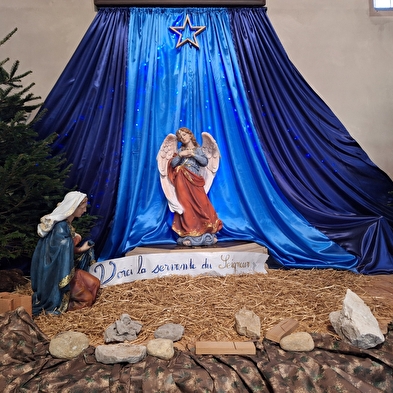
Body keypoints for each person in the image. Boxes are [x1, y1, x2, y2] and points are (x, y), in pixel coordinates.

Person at [31, 191, 100, 316]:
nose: (84, 210)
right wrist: (74, 239)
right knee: (87, 299)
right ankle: (63, 306)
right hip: (58, 273)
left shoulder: (66, 225)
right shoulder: (60, 227)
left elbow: (64, 249)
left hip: (68, 268)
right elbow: (60, 249)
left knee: (95, 283)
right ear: (73, 207)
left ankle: (73, 300)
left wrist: (81, 249)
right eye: (82, 207)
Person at [167, 127, 223, 246]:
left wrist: (192, 154)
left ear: (190, 135)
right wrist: (181, 155)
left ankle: (207, 228)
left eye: (184, 134)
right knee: (186, 205)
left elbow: (204, 162)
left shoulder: (198, 150)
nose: (183, 137)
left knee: (202, 203)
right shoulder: (179, 150)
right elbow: (172, 164)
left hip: (195, 180)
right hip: (182, 181)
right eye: (180, 136)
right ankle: (188, 231)